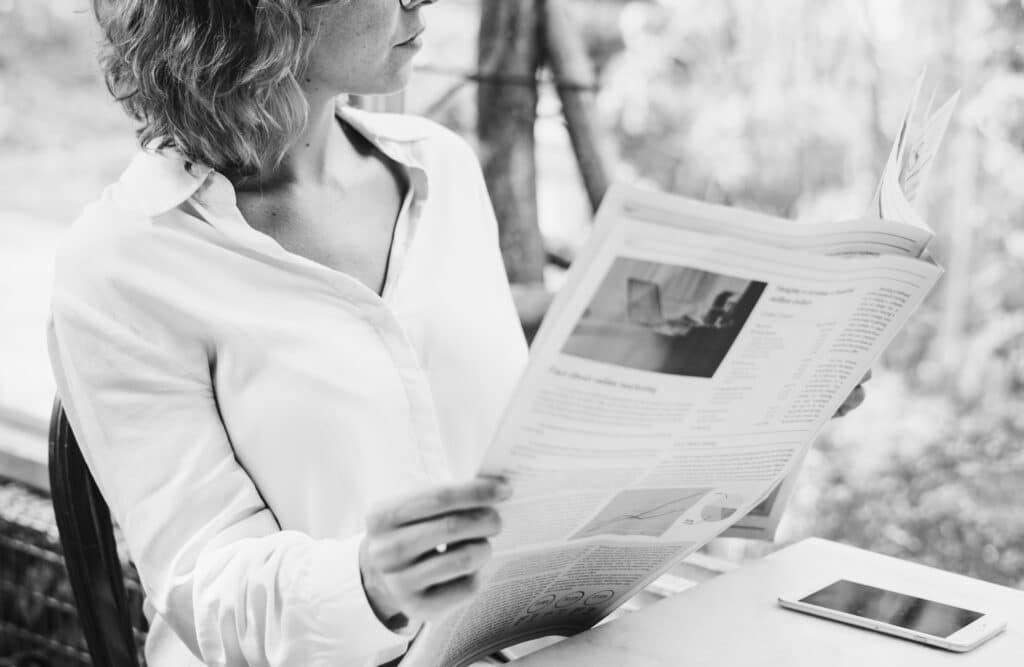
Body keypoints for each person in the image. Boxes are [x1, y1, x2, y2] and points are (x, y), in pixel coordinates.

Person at [47, 1, 869, 665]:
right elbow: (207, 587)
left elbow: (529, 451)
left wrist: (770, 395)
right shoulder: (121, 266)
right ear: (260, 13)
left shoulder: (440, 168)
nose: (424, 0)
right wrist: (367, 580)